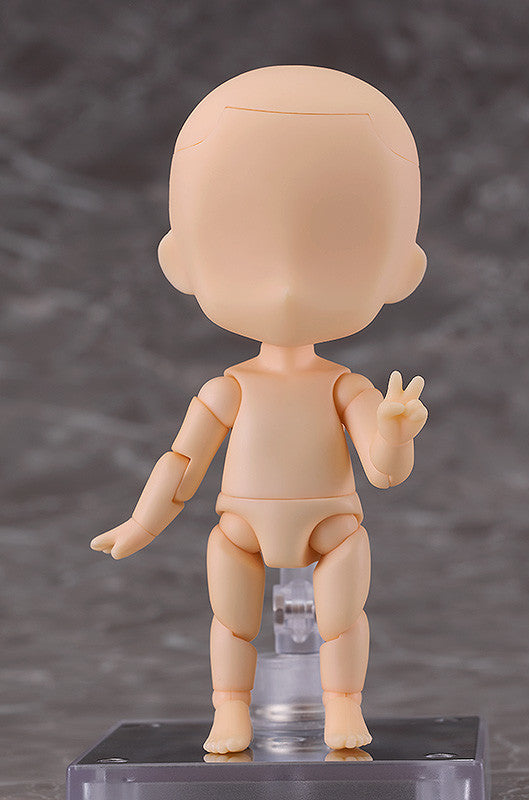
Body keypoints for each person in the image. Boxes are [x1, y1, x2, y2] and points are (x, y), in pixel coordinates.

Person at [90, 65, 428, 754]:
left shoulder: (345, 387)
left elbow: (384, 473)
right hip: (241, 525)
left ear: (403, 268)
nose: (287, 282)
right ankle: (230, 709)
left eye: (338, 242)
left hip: (333, 524)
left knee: (343, 616)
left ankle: (342, 705)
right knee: (232, 620)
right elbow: (181, 463)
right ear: (180, 259)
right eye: (240, 238)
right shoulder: (230, 388)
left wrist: (394, 433)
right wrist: (142, 522)